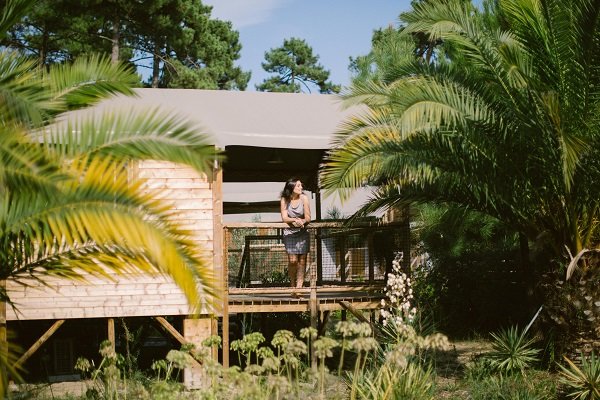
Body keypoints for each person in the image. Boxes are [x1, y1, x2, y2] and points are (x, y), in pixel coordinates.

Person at [280, 178, 311, 290]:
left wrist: (302, 221)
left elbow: (308, 217)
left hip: (302, 233)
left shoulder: (304, 198)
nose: (301, 187)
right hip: (289, 233)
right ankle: (292, 284)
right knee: (293, 261)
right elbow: (284, 218)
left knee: (302, 261)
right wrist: (294, 220)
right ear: (291, 187)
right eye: (298, 186)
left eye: (301, 185)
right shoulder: (284, 199)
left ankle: (299, 288)